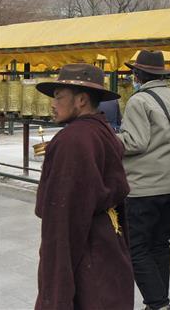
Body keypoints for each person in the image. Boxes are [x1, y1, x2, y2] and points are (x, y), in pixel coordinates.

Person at [34, 63, 135, 309]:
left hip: (88, 253)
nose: (53, 104)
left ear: (80, 100)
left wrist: (55, 296)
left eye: (59, 97)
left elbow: (64, 221)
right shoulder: (101, 131)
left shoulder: (73, 140)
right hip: (107, 245)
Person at [117, 50, 170, 310]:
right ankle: (160, 301)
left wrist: (107, 138)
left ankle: (158, 303)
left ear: (138, 74)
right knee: (160, 244)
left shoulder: (139, 101)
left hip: (143, 186)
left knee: (136, 248)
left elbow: (134, 142)